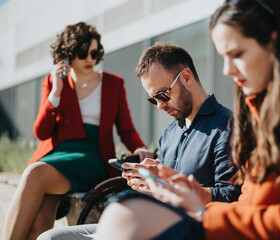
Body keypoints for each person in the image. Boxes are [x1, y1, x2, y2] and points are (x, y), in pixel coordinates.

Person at [93, 0, 280, 239]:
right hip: (235, 226)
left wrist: (202, 211)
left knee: (126, 214)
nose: (226, 70)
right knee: (114, 215)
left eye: (237, 54)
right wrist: (191, 194)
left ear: (274, 42)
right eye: (223, 56)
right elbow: (249, 203)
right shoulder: (262, 109)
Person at [36, 42, 241, 240]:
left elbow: (230, 196)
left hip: (187, 228)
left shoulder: (227, 126)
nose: (160, 106)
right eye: (154, 99)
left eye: (163, 95)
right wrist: (148, 180)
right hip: (152, 220)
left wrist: (171, 187)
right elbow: (161, 187)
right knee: (50, 237)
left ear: (186, 77)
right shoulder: (170, 132)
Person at [2, 21, 153, 240]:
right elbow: (41, 132)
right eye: (84, 52)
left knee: (34, 174)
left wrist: (139, 147)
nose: (91, 59)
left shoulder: (113, 84)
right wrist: (56, 92)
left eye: (95, 52)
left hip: (92, 157)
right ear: (68, 54)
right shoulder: (53, 83)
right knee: (38, 224)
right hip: (57, 156)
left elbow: (126, 128)